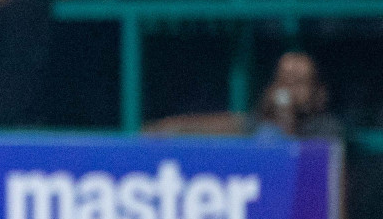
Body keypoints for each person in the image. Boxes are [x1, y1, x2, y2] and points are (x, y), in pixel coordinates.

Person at [145, 51, 343, 140]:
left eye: (298, 83)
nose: (289, 91)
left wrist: (287, 118)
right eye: (284, 82)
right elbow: (228, 125)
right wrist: (169, 128)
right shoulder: (261, 125)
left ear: (319, 92)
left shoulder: (328, 129)